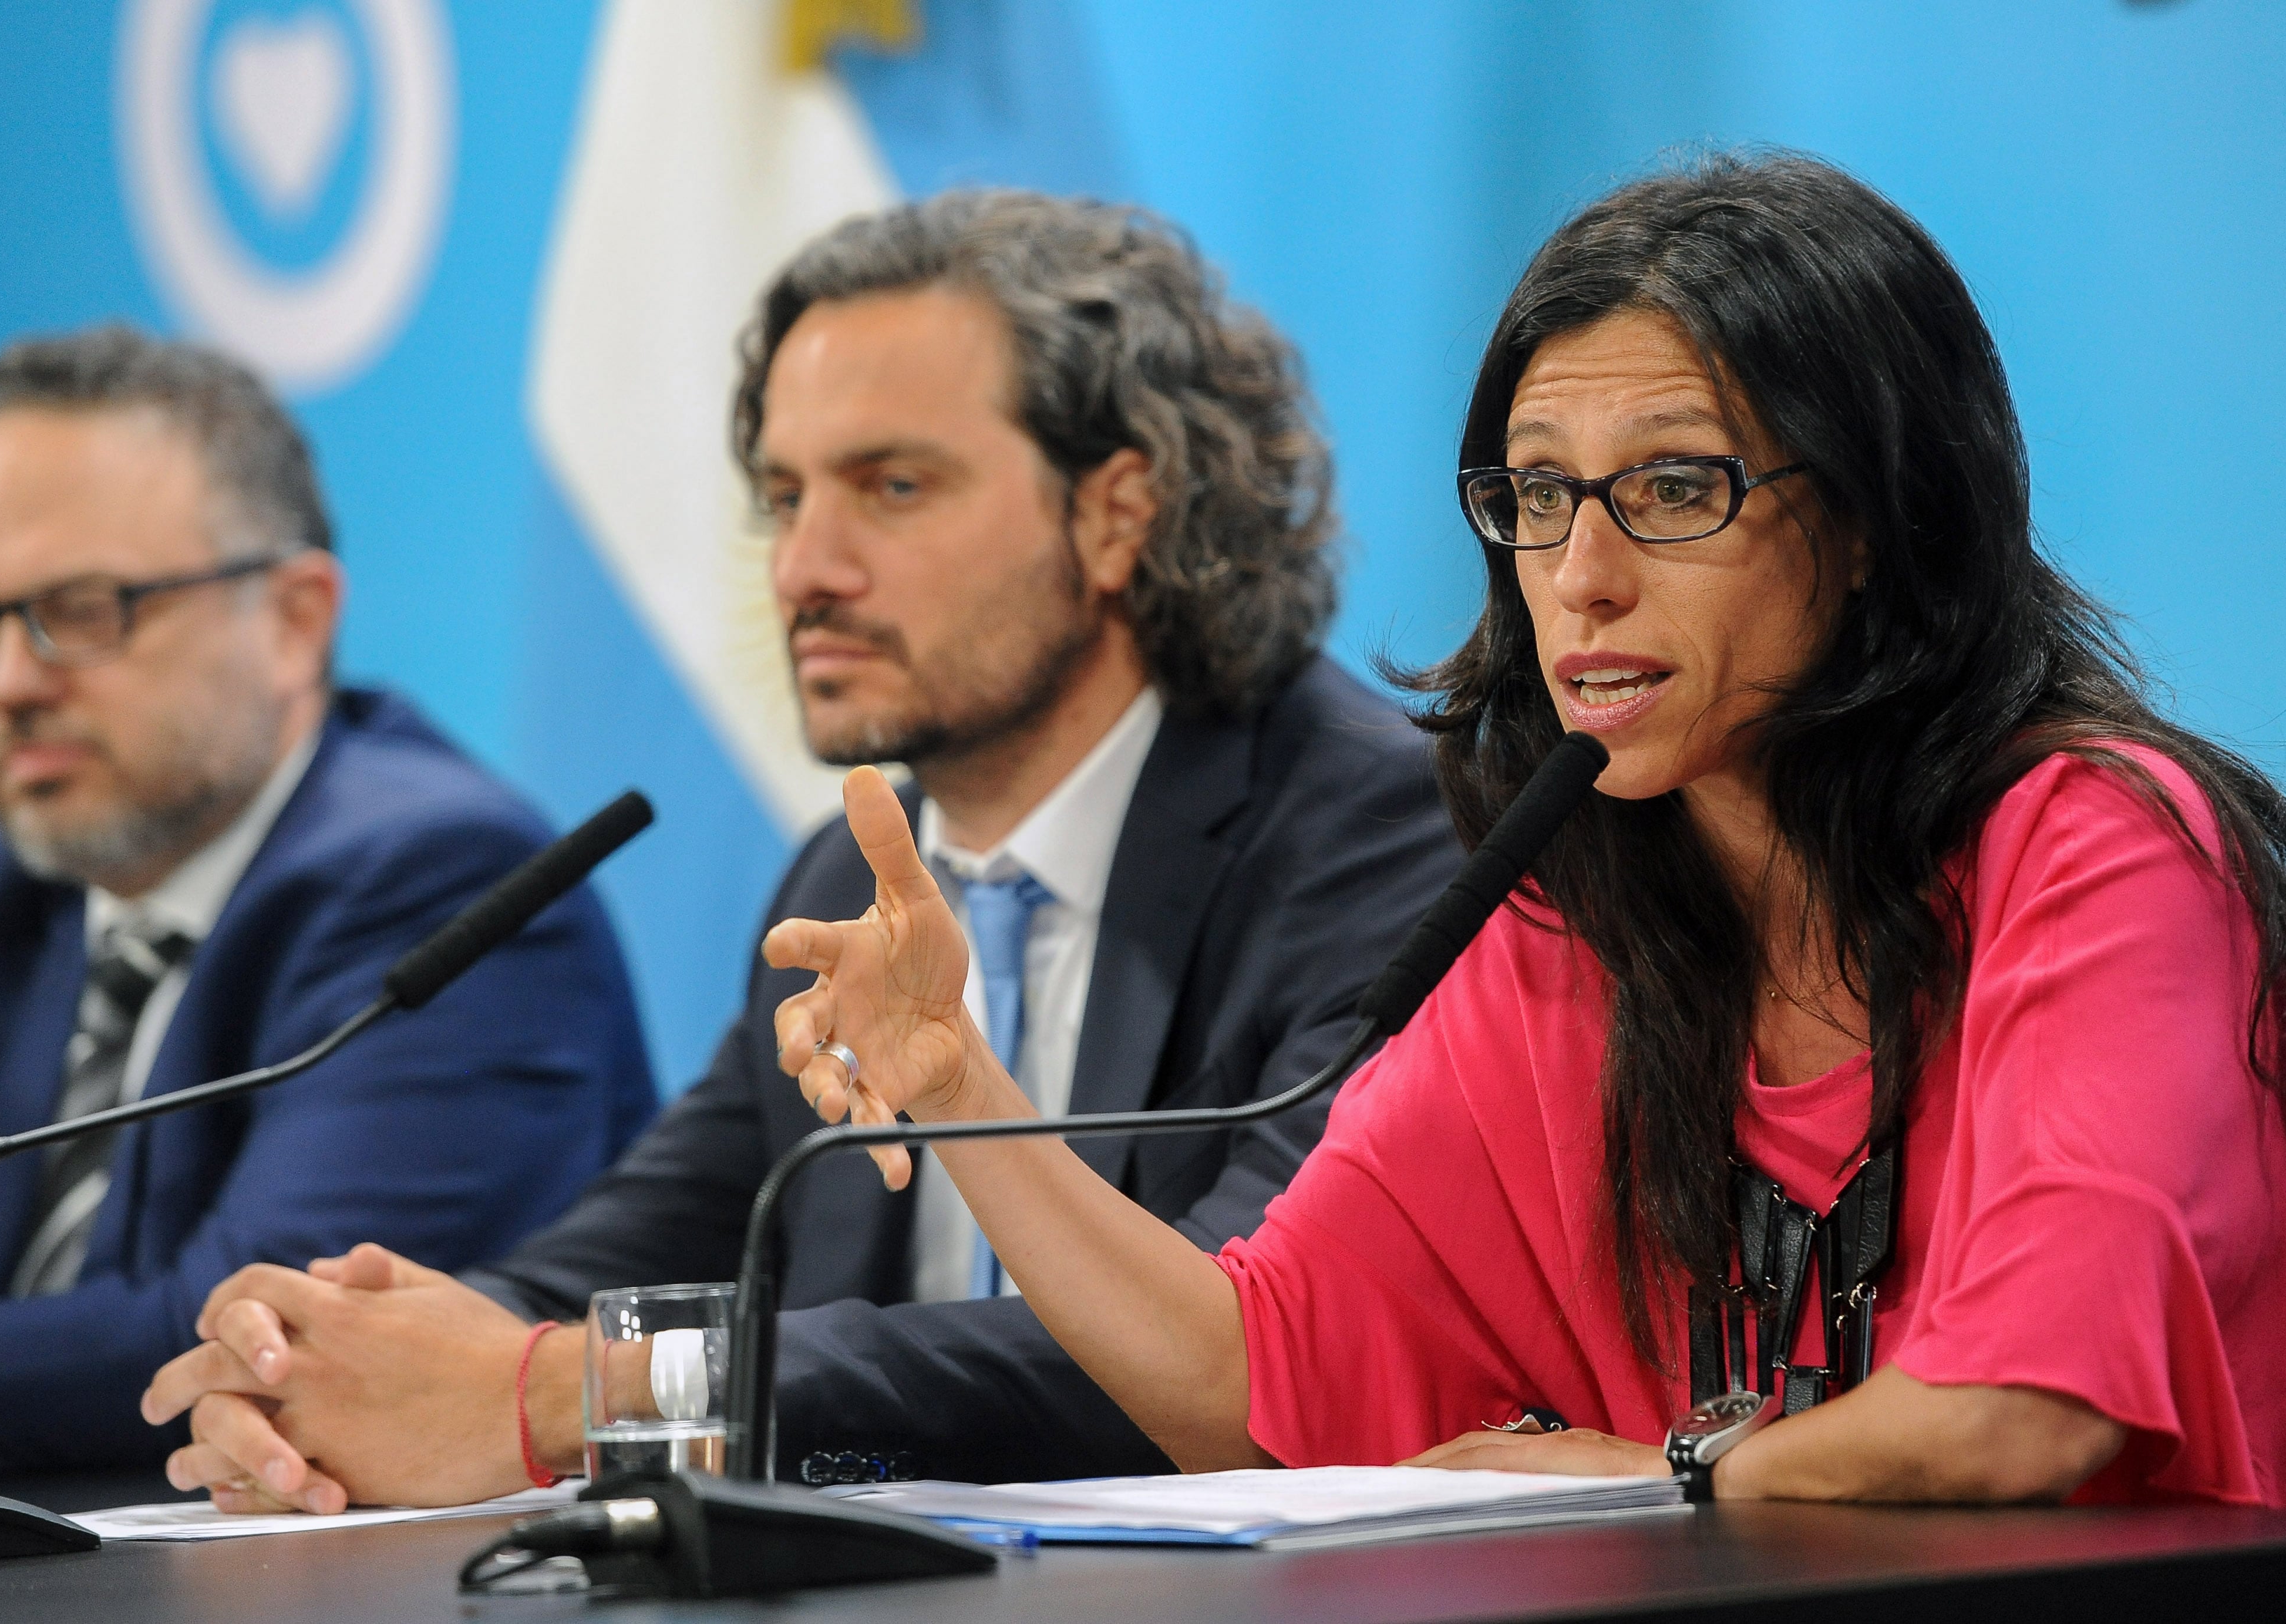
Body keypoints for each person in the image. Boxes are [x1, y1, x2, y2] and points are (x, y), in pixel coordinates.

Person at [762, 154, 2286, 1506]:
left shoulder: (2096, 849)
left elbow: (2023, 1414)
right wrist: (965, 1077)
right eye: (1540, 494)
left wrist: (1672, 1470)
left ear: (1878, 518)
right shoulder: (1569, 931)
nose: (1582, 574)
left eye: (1676, 487)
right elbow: (1252, 1385)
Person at [142, 192, 1460, 1510]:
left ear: (1119, 514)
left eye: (894, 486)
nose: (802, 569)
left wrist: (564, 1391)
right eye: (783, 496)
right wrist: (344, 1375)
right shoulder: (839, 886)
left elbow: (1226, 1358)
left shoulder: (1372, 840)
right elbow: (628, 1255)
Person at [0, 327, 657, 1477]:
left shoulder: (444, 878)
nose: (11, 683)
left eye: (81, 610)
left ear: (293, 622)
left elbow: (244, 1338)